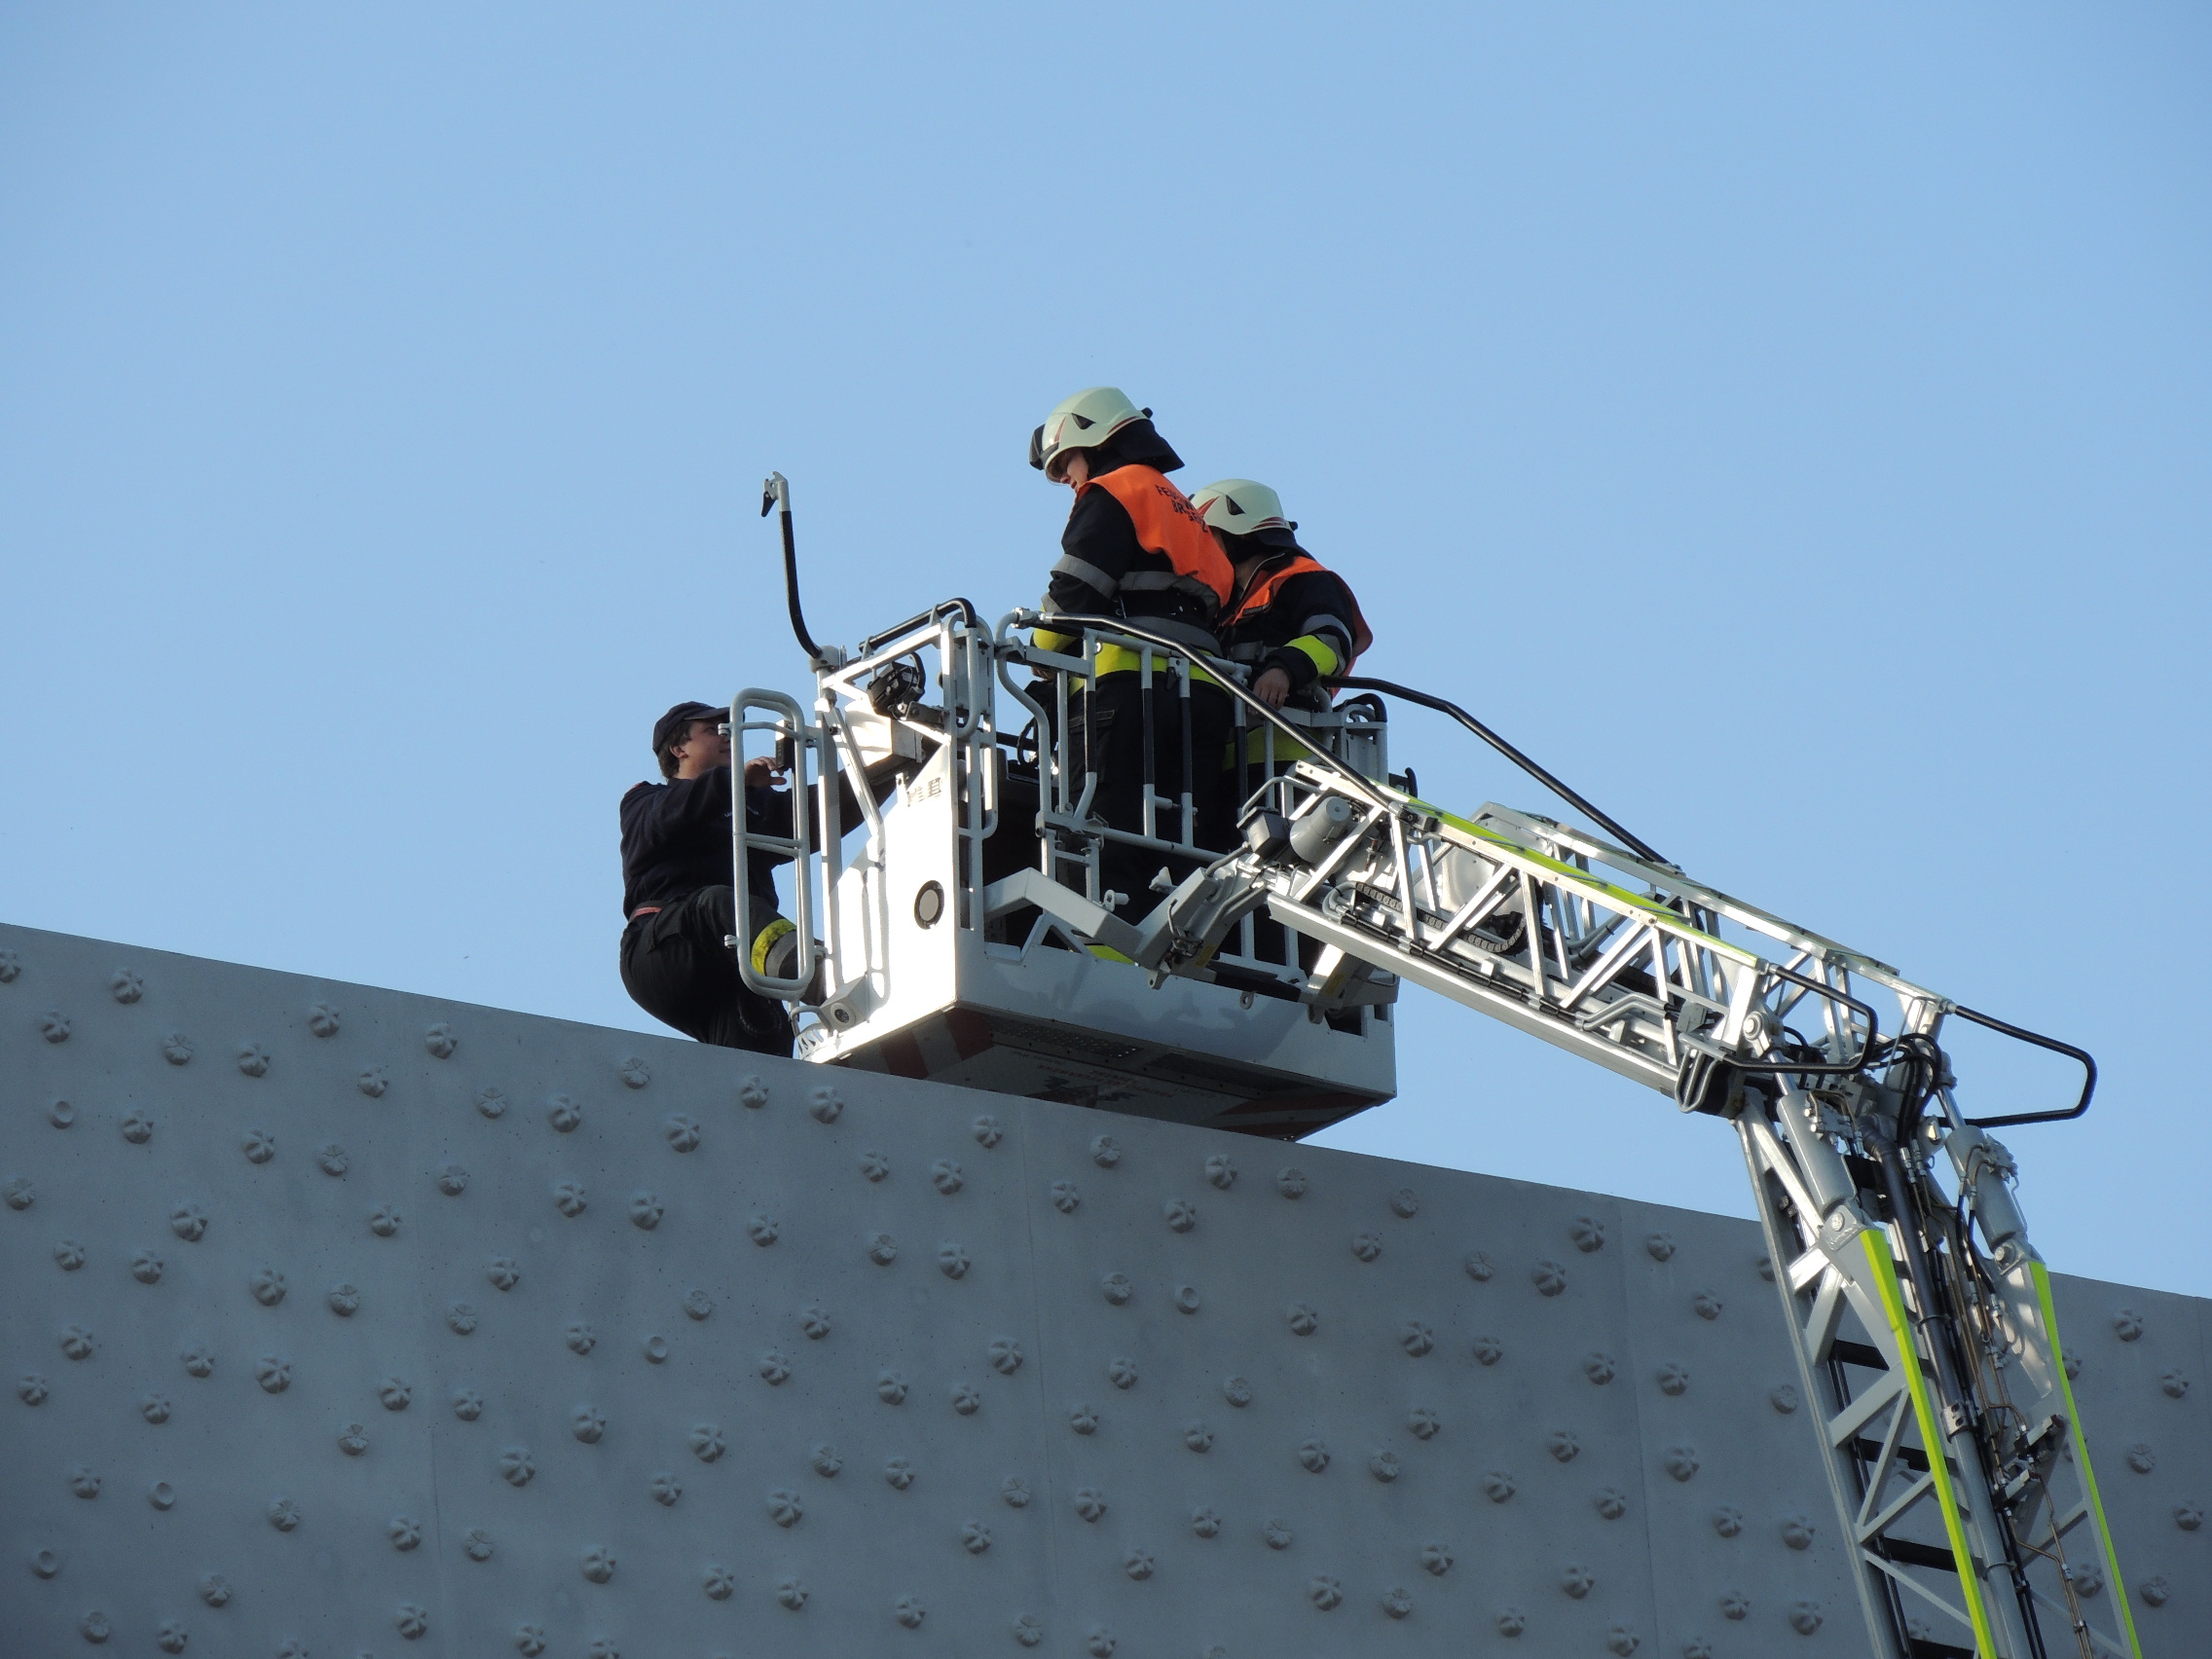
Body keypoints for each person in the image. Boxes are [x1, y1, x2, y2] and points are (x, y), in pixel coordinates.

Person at [1026, 387, 1238, 915]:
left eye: (1064, 463)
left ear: (1094, 437)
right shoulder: (1183, 509)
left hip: (1127, 688)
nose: (1065, 478)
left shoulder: (1113, 492)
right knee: (1183, 839)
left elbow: (1075, 591)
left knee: (1101, 831)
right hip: (1203, 694)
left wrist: (1037, 652)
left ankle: (1099, 945)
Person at [618, 701, 808, 1054]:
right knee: (718, 905)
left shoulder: (751, 806)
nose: (728, 737)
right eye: (714, 730)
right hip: (665, 950)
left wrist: (889, 766)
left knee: (767, 1031)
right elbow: (673, 813)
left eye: (730, 731)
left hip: (731, 964)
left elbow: (817, 813)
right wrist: (736, 781)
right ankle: (815, 975)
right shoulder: (646, 800)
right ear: (679, 749)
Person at [1192, 477, 1372, 715]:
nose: (1200, 549)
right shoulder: (1220, 606)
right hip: (1228, 732)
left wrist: (1283, 670)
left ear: (1241, 534)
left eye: (1207, 535)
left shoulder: (1307, 581)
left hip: (1288, 731)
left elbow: (1330, 640)